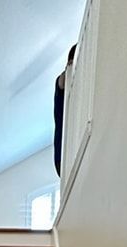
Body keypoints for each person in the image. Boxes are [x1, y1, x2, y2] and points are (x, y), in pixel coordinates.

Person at [54, 45, 77, 176]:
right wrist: (69, 68)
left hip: (65, 154)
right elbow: (61, 82)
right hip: (61, 156)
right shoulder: (63, 84)